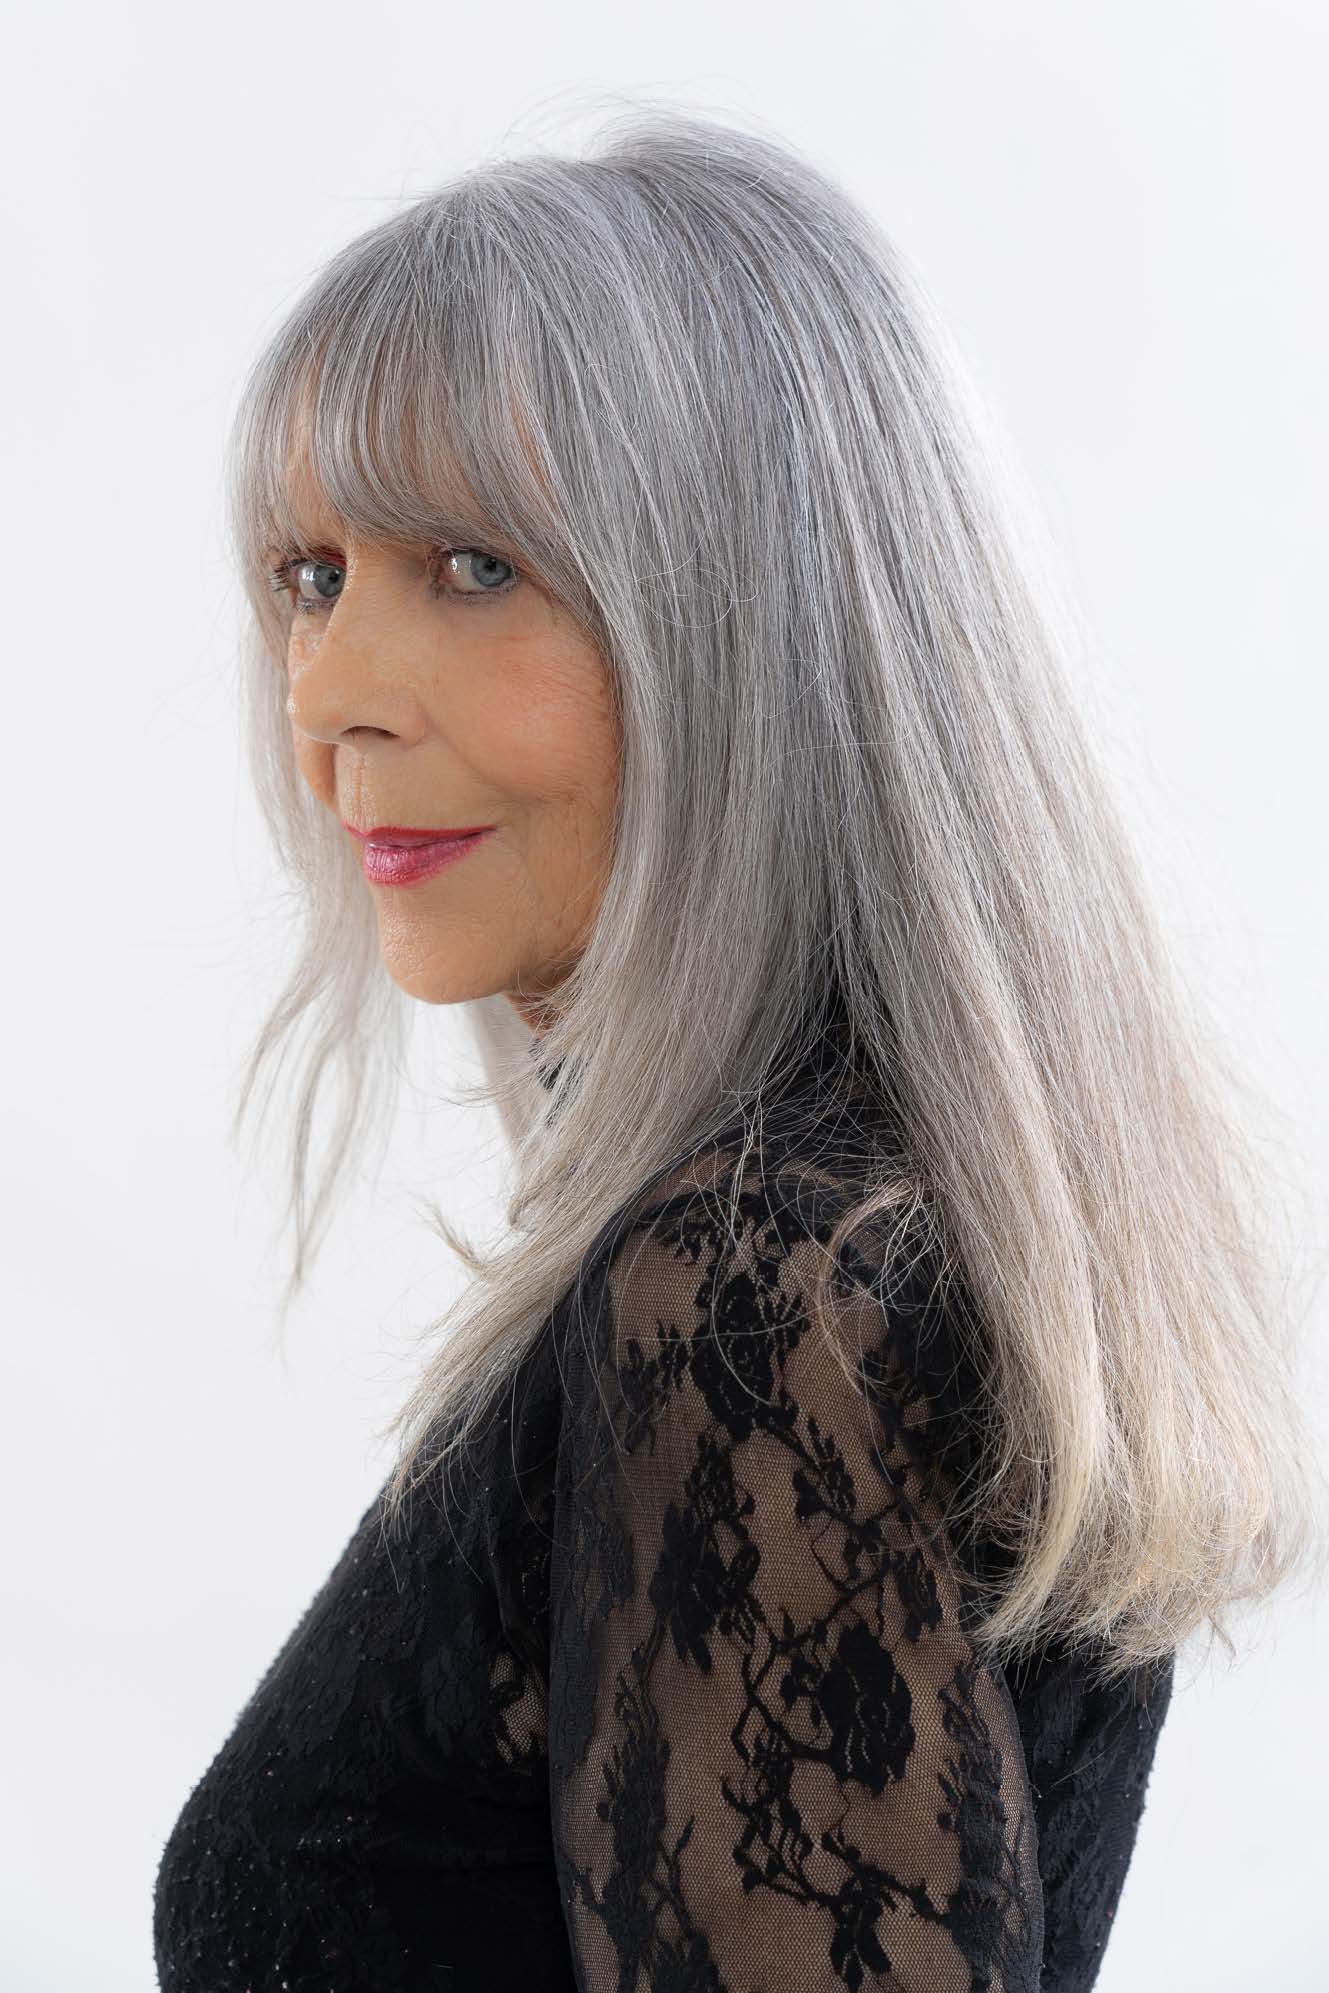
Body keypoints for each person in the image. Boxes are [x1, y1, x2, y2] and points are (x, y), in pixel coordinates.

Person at [152, 103, 1320, 1992]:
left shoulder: (757, 1294)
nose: (333, 693)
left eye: (472, 566)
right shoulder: (815, 1252)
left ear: (749, 627)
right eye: (310, 576)